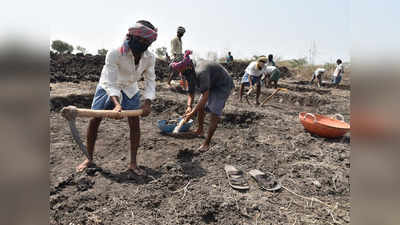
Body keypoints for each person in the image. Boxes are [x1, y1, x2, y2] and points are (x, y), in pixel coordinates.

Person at [76, 20, 158, 175]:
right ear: (132, 37)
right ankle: (89, 158)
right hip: (108, 85)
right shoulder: (115, 53)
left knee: (135, 123)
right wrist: (116, 105)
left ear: (150, 41)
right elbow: (110, 81)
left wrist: (147, 103)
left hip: (130, 87)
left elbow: (150, 80)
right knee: (95, 118)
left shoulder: (149, 57)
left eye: (146, 41)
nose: (143, 43)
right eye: (140, 40)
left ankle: (133, 163)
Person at [170, 50, 234, 152]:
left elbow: (205, 96)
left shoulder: (201, 71)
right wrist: (189, 107)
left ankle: (206, 143)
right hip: (211, 82)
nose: (183, 74)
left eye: (183, 72)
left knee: (214, 112)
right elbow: (191, 92)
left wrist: (192, 114)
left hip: (222, 84)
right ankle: (200, 131)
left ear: (188, 67)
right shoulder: (189, 71)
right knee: (201, 108)